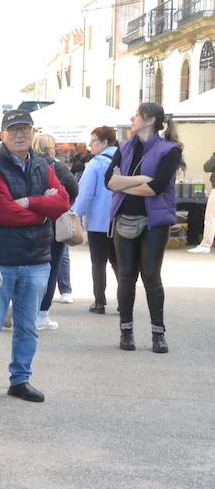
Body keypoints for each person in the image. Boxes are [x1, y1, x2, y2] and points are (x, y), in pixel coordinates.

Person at [0, 110, 70, 403]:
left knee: (27, 326)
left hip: (37, 258)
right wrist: (43, 212)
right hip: (1, 259)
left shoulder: (43, 165)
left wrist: (28, 202)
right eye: (13, 129)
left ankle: (20, 379)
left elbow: (62, 202)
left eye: (25, 129)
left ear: (33, 132)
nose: (20, 134)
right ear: (2, 134)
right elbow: (3, 213)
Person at [105, 102, 182, 353]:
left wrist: (122, 183)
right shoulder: (124, 147)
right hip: (123, 218)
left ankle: (158, 334)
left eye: (136, 115)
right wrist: (138, 180)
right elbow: (109, 181)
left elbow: (156, 187)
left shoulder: (170, 150)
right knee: (125, 276)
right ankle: (125, 332)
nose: (132, 118)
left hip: (154, 221)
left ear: (149, 120)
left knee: (151, 276)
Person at [32, 132, 78, 331]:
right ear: (51, 147)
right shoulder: (56, 166)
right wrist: (62, 202)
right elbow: (74, 188)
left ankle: (19, 308)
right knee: (51, 268)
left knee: (28, 268)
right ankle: (42, 315)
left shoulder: (28, 164)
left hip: (29, 222)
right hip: (54, 224)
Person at [73, 126, 119, 311]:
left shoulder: (96, 163)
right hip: (119, 219)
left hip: (99, 220)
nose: (90, 145)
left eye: (93, 141)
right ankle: (124, 302)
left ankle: (99, 301)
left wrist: (76, 214)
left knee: (99, 262)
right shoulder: (125, 159)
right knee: (119, 262)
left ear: (104, 142)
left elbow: (85, 194)